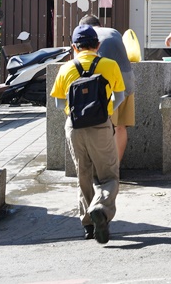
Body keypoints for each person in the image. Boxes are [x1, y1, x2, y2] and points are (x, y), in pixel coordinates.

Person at [49, 25, 127, 244]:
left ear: (74, 47)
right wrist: (105, 112)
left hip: (74, 127)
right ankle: (100, 208)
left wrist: (76, 113)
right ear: (98, 45)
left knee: (84, 174)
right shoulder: (109, 65)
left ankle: (88, 226)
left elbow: (58, 103)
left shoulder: (66, 69)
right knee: (108, 175)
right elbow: (119, 97)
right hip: (101, 126)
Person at [79, 15, 136, 164]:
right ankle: (115, 168)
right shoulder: (114, 31)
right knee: (121, 127)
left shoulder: (86, 36)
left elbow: (81, 62)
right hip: (128, 81)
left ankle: (104, 168)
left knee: (103, 127)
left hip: (108, 84)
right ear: (99, 24)